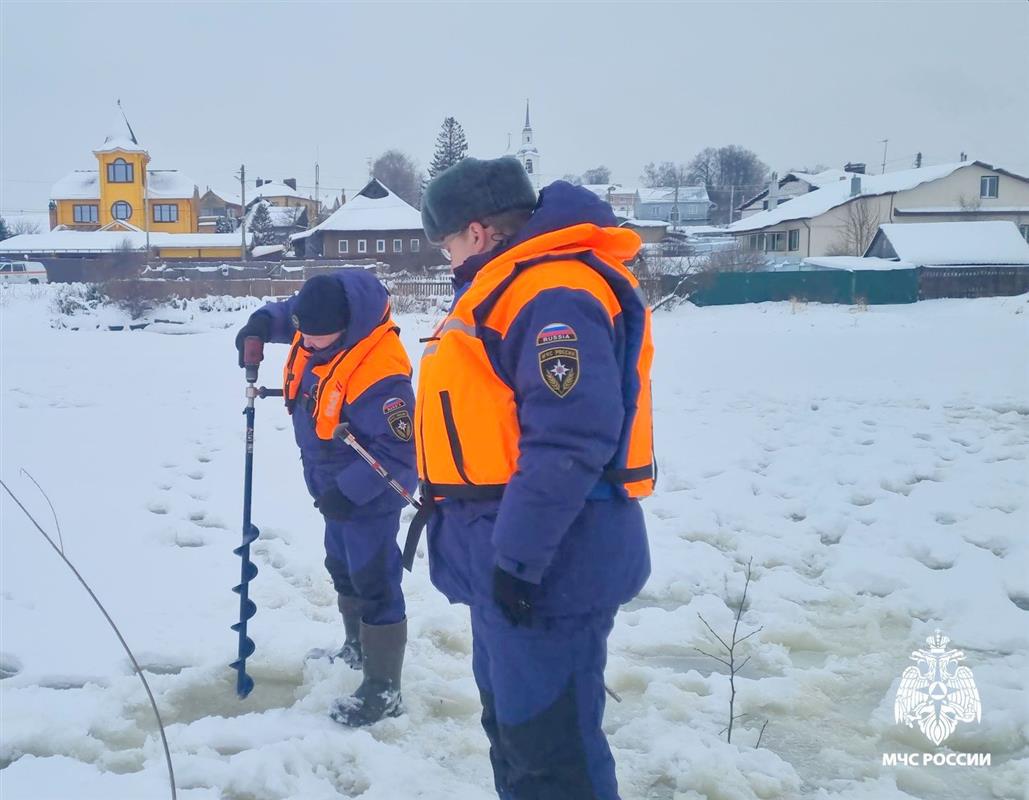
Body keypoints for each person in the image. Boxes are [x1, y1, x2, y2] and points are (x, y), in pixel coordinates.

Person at [414, 156, 655, 799]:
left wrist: (518, 561)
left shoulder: (551, 293)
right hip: (506, 555)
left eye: (447, 242)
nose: (446, 257)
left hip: (549, 565)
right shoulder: (507, 286)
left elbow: (570, 436)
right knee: (516, 737)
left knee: (554, 754)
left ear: (479, 231)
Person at [234, 270, 415, 726]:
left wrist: (349, 493)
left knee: (375, 581)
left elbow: (401, 453)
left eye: (317, 341)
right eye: (303, 337)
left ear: (347, 327)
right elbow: (288, 317)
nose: (307, 347)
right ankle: (355, 647)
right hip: (330, 488)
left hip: (369, 497)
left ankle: (384, 688)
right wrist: (259, 325)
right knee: (342, 567)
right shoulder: (322, 311)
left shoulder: (382, 375)